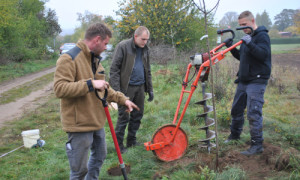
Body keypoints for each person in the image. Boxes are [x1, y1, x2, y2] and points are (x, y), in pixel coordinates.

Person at [53, 23, 139, 180]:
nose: (106, 47)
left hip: (96, 121)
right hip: (79, 124)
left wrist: (123, 100)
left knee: (99, 156)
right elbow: (59, 88)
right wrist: (90, 84)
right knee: (79, 171)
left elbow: (104, 88)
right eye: (106, 43)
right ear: (97, 39)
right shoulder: (69, 59)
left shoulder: (95, 60)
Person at [224, 11, 272, 156]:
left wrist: (250, 44)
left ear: (252, 20)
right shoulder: (248, 38)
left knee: (253, 113)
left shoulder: (262, 36)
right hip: (244, 80)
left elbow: (263, 55)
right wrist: (231, 48)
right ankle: (234, 136)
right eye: (240, 25)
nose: (243, 28)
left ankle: (257, 145)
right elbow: (242, 57)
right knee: (236, 110)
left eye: (245, 24)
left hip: (257, 80)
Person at [109, 26, 154, 153]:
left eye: (147, 40)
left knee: (137, 115)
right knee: (124, 117)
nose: (145, 42)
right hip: (126, 88)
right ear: (135, 36)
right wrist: (117, 92)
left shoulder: (145, 49)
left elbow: (148, 70)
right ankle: (119, 146)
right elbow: (114, 69)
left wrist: (149, 89)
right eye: (143, 39)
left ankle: (131, 141)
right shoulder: (123, 46)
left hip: (140, 87)